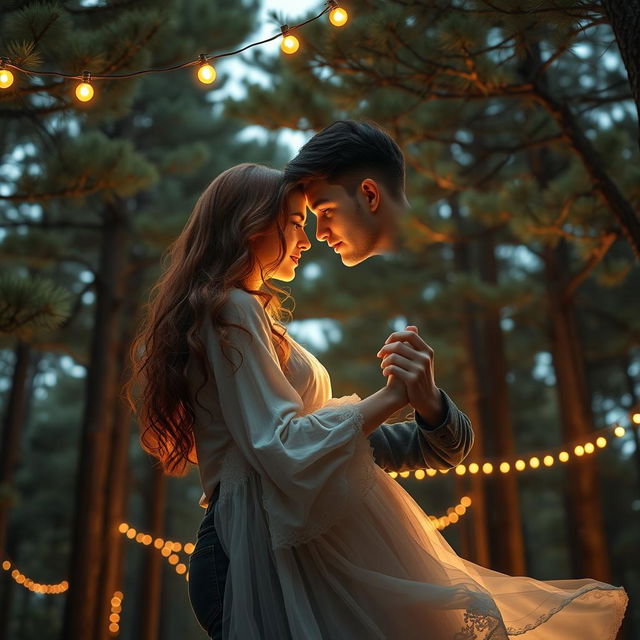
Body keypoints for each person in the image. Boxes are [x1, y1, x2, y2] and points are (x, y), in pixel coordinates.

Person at [128, 155, 627, 639]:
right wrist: (391, 397)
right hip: (250, 556)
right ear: (249, 225)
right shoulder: (232, 309)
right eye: (296, 222)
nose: (307, 239)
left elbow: (324, 445)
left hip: (263, 546)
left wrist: (430, 409)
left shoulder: (243, 315)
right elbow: (281, 446)